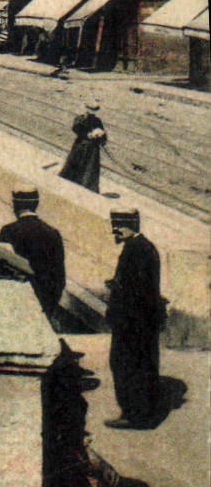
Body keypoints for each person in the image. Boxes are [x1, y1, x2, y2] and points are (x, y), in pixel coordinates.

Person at [104, 209, 164, 429]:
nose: (114, 232)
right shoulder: (144, 247)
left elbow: (136, 291)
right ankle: (141, 413)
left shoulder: (135, 250)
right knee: (142, 365)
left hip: (132, 323)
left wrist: (117, 290)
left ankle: (133, 415)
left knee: (125, 365)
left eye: (117, 226)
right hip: (142, 322)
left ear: (130, 225)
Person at [0, 189, 66, 322]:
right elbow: (59, 276)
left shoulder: (8, 231)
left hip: (16, 301)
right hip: (44, 301)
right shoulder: (52, 233)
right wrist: (50, 305)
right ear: (37, 204)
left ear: (15, 205)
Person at [59, 102, 106, 192]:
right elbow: (76, 128)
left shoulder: (97, 121)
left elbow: (103, 135)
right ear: (86, 109)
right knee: (74, 165)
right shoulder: (81, 118)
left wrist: (100, 136)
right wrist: (88, 135)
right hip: (81, 146)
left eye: (94, 110)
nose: (92, 112)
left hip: (92, 149)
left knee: (90, 169)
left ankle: (87, 186)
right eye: (90, 109)